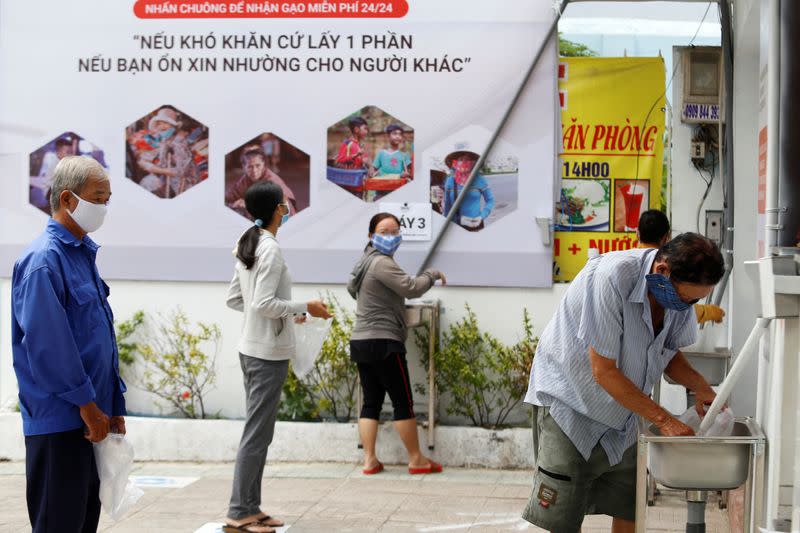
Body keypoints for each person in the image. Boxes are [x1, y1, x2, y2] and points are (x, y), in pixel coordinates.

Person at [522, 233, 724, 533]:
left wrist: (702, 387)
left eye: (697, 299)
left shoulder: (679, 300)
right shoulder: (612, 276)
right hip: (571, 407)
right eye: (686, 298)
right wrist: (664, 421)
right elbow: (603, 371)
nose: (689, 305)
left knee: (629, 506)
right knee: (562, 520)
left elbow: (667, 352)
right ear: (663, 271)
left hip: (623, 415)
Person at [11, 156, 125, 533]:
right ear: (68, 199)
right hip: (61, 421)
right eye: (98, 198)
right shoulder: (44, 261)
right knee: (59, 524)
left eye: (108, 198)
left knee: (81, 523)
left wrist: (111, 407)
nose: (105, 208)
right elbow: (49, 349)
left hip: (90, 418)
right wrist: (88, 406)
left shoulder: (81, 254)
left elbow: (96, 337)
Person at [224, 181, 331, 533]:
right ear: (277, 210)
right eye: (283, 205)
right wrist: (306, 307)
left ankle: (251, 507)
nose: (286, 210)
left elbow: (238, 300)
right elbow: (260, 303)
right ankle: (240, 511)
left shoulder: (247, 241)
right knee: (257, 434)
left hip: (253, 348)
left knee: (260, 432)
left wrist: (284, 315)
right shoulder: (268, 248)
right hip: (265, 354)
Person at [347, 213, 447, 476]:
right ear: (371, 235)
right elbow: (411, 288)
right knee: (403, 401)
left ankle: (370, 460)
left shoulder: (364, 263)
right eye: (384, 231)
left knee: (371, 402)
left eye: (395, 231)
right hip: (384, 342)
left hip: (361, 341)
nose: (390, 236)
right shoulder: (381, 263)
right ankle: (416, 460)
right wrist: (432, 273)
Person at [637, 209, 725, 324]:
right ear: (666, 237)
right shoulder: (667, 273)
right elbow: (685, 312)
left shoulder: (628, 267)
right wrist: (713, 312)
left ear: (637, 234)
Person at [226, 148, 297, 219]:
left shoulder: (272, 180)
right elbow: (229, 197)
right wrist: (234, 204)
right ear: (244, 167)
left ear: (264, 165)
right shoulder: (245, 179)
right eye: (250, 167)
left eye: (258, 165)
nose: (254, 171)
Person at [442, 151, 494, 231]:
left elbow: (490, 200)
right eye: (461, 159)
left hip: (476, 225)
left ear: (474, 162)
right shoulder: (450, 181)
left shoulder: (480, 180)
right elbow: (447, 207)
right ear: (455, 161)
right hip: (455, 226)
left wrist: (482, 216)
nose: (463, 162)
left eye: (467, 159)